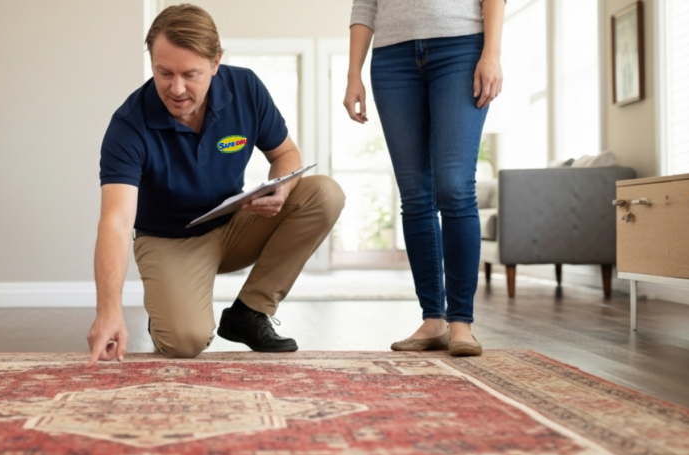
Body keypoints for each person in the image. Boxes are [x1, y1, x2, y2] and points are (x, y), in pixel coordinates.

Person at [87, 4, 345, 364]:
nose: (176, 89)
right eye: (164, 73)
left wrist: (279, 189)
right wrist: (108, 310)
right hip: (170, 240)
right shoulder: (129, 125)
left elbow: (286, 154)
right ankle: (168, 311)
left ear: (215, 63)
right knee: (184, 342)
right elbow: (115, 221)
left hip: (235, 224)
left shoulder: (246, 88)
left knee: (324, 193)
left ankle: (250, 312)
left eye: (190, 74)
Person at [345, 0, 505, 357]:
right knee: (415, 195)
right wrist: (353, 73)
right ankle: (433, 319)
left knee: (454, 186)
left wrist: (491, 52)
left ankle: (461, 322)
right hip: (390, 58)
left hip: (461, 46)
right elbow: (364, 6)